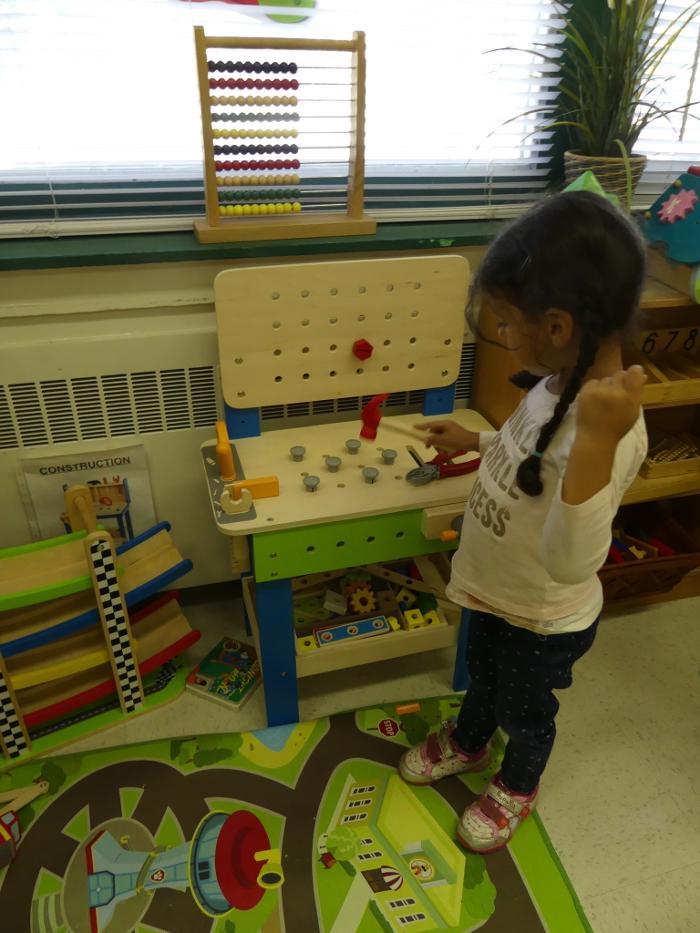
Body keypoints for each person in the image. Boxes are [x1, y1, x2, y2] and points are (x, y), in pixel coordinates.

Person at [399, 191, 649, 853]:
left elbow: (573, 559)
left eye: (509, 323)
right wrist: (475, 441)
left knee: (526, 709)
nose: (504, 337)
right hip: (494, 589)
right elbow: (525, 455)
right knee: (483, 673)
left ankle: (518, 782)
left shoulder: (606, 433)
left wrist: (594, 443)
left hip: (542, 617)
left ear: (559, 326)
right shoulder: (550, 381)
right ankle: (470, 740)